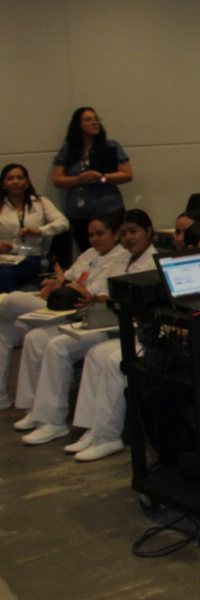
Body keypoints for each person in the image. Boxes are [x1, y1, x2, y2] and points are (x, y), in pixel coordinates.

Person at [68, 221, 200, 462]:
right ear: (190, 250)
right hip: (184, 355)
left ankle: (188, 460)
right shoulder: (181, 278)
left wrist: (190, 331)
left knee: (161, 396)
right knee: (145, 389)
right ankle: (173, 460)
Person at [14, 210, 155, 446]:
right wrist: (98, 300)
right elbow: (103, 292)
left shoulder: (153, 261)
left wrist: (100, 299)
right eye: (124, 233)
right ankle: (53, 420)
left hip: (127, 326)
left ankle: (98, 432)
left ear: (148, 232)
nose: (128, 238)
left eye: (134, 231)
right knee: (55, 344)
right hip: (104, 319)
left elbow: (135, 302)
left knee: (89, 353)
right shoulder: (122, 260)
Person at [0, 211, 125, 412]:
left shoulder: (120, 257)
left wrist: (65, 283)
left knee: (14, 298)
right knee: (4, 330)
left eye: (100, 234)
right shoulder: (89, 253)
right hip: (58, 306)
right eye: (91, 235)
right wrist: (57, 283)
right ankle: (13, 401)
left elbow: (90, 293)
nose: (94, 239)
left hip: (77, 311)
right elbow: (67, 277)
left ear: (116, 234)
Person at [51, 107, 132, 267]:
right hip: (80, 214)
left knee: (115, 254)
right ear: (78, 125)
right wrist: (79, 179)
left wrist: (101, 177)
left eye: (96, 119)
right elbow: (57, 179)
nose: (94, 122)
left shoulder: (109, 145)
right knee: (89, 256)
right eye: (88, 120)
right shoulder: (69, 148)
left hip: (109, 210)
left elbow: (127, 174)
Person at [0, 163, 68, 292]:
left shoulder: (40, 202)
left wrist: (39, 231)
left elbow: (63, 223)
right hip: (4, 258)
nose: (16, 182)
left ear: (27, 182)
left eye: (20, 178)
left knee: (4, 275)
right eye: (10, 178)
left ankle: (11, 308)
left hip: (32, 257)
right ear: (3, 184)